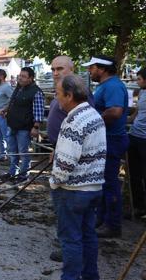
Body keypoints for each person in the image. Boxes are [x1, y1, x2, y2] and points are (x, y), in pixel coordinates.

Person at [50, 74, 106, 280]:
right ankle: (91, 276)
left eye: (58, 95)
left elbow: (64, 165)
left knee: (70, 240)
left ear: (69, 95)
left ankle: (71, 277)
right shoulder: (94, 115)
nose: (56, 100)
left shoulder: (73, 121)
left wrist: (54, 182)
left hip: (73, 191)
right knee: (88, 235)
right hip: (94, 187)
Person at [46, 55, 94, 263]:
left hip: (71, 160)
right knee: (64, 208)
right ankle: (69, 243)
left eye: (60, 69)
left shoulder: (78, 93)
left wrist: (56, 178)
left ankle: (70, 250)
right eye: (53, 69)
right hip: (60, 149)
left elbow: (81, 132)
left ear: (71, 69)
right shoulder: (62, 90)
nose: (55, 72)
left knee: (67, 207)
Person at [85, 55, 128, 239]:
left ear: (102, 69)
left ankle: (113, 225)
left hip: (112, 140)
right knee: (101, 182)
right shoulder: (105, 86)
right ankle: (100, 218)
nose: (89, 71)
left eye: (92, 68)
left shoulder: (113, 86)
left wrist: (92, 121)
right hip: (104, 139)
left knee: (110, 184)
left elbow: (115, 111)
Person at [0, 67, 44, 183]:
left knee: (23, 152)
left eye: (24, 76)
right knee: (12, 151)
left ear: (31, 78)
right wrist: (5, 109)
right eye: (20, 75)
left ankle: (23, 175)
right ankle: (13, 172)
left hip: (24, 127)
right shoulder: (19, 88)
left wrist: (36, 127)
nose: (20, 78)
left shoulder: (36, 91)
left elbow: (39, 112)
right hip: (12, 124)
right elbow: (12, 101)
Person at [128, 67, 146, 219]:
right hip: (135, 135)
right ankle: (139, 207)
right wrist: (127, 120)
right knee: (134, 173)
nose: (137, 81)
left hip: (145, 139)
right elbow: (137, 112)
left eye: (139, 79)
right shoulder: (142, 92)